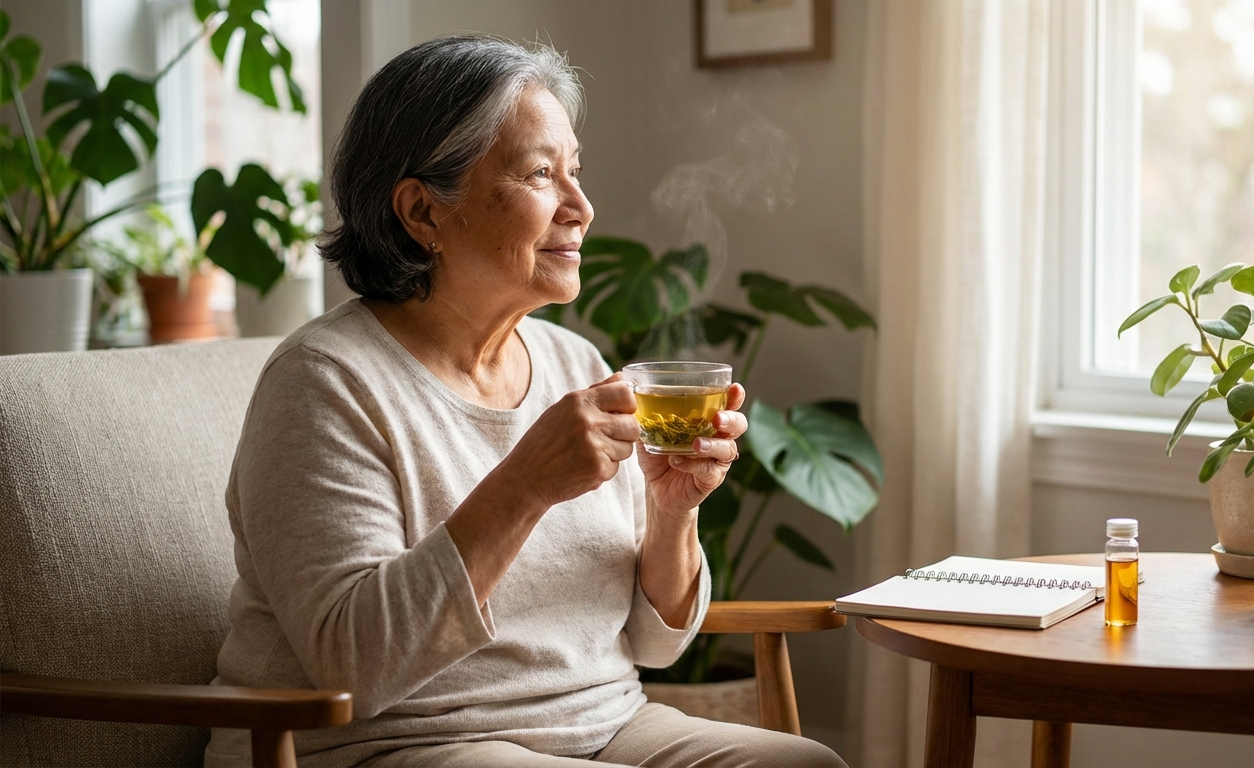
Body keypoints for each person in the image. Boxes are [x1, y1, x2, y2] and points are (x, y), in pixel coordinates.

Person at [204, 35, 846, 768]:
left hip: (603, 728)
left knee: (805, 765)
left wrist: (674, 510)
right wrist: (525, 482)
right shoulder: (325, 384)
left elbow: (655, 642)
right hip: (393, 744)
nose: (581, 207)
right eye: (542, 174)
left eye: (575, 172)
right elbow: (355, 667)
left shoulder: (576, 363)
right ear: (423, 211)